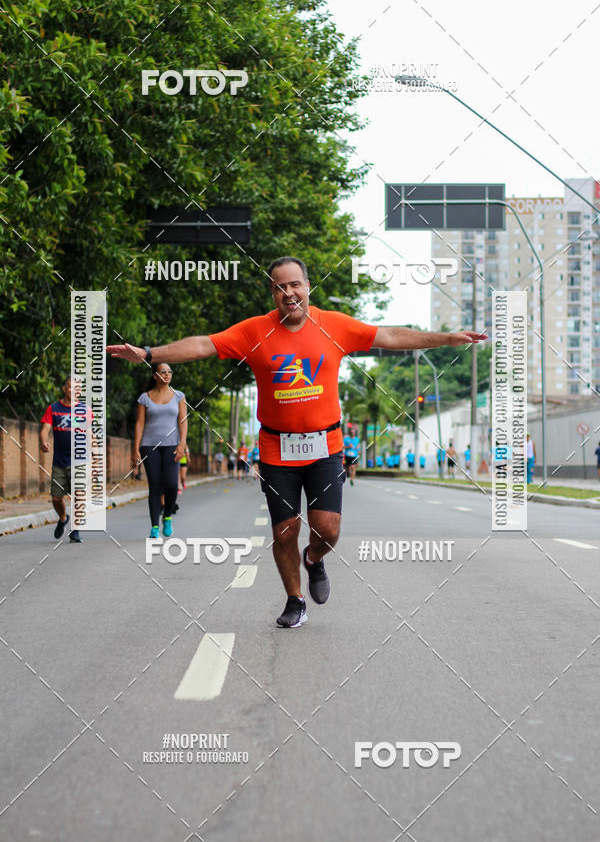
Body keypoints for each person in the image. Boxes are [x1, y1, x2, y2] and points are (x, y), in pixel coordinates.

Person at [108, 255, 486, 628]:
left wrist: (445, 339)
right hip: (276, 448)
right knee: (284, 530)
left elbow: (389, 335)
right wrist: (148, 353)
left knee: (329, 528)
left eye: (294, 285)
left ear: (307, 287)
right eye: (279, 287)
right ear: (272, 294)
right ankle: (295, 599)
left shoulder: (334, 325)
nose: (288, 293)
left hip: (325, 447)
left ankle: (315, 558)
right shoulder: (254, 331)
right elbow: (203, 345)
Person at [133, 363, 187, 538]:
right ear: (155, 376)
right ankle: (154, 526)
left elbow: (183, 421)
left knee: (171, 485)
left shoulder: (179, 396)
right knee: (155, 486)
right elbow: (140, 424)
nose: (167, 374)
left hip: (172, 445)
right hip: (149, 446)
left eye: (170, 371)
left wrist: (182, 444)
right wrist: (135, 449)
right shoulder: (145, 398)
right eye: (163, 372)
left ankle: (168, 516)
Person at [40, 376, 84, 543]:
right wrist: (43, 440)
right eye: (71, 387)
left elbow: (90, 434)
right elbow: (45, 428)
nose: (75, 390)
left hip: (79, 461)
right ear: (65, 389)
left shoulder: (84, 410)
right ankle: (63, 518)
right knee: (56, 498)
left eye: (78, 388)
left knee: (79, 496)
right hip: (59, 462)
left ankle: (76, 529)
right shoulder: (54, 408)